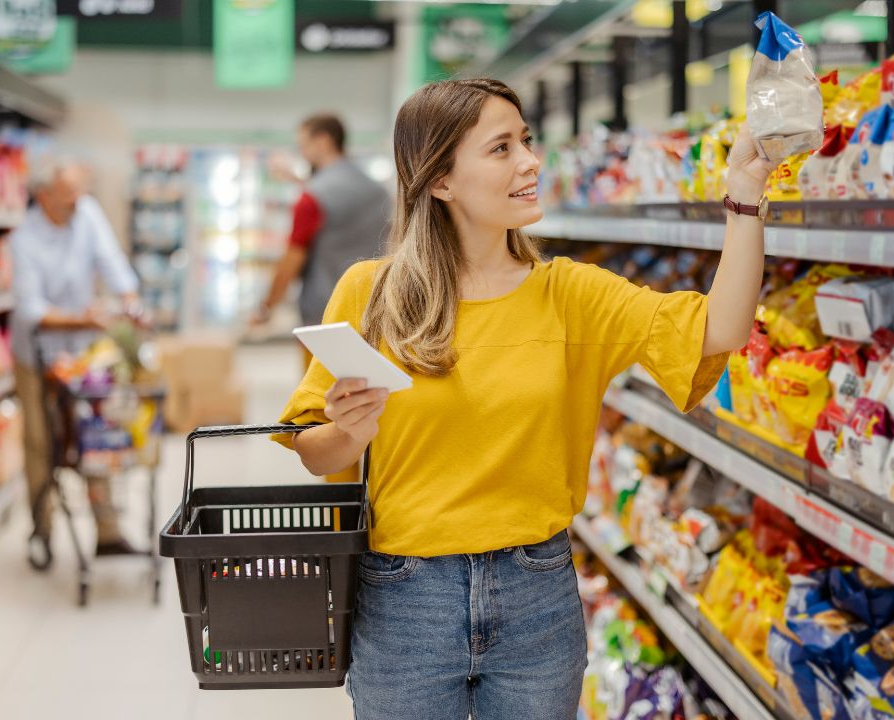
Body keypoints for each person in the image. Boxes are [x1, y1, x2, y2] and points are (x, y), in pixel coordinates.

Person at [274, 79, 775, 718]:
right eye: (502, 147)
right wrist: (349, 431)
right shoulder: (373, 293)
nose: (530, 161)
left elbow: (720, 329)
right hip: (404, 600)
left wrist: (746, 196)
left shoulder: (571, 294)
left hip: (536, 598)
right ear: (441, 181)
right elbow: (315, 453)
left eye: (527, 142)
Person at [9, 159, 145, 568]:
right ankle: (42, 529)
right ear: (44, 196)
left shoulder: (85, 213)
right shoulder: (23, 239)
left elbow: (112, 262)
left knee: (95, 433)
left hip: (82, 353)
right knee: (40, 441)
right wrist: (85, 318)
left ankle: (108, 531)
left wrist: (130, 301)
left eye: (78, 193)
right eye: (68, 195)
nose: (77, 202)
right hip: (37, 355)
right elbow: (32, 309)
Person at [252, 114, 389, 332]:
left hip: (324, 315)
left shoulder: (312, 198)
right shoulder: (379, 192)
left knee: (321, 368)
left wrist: (266, 307)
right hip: (374, 308)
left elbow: (292, 259)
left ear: (323, 141)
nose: (302, 152)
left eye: (304, 145)